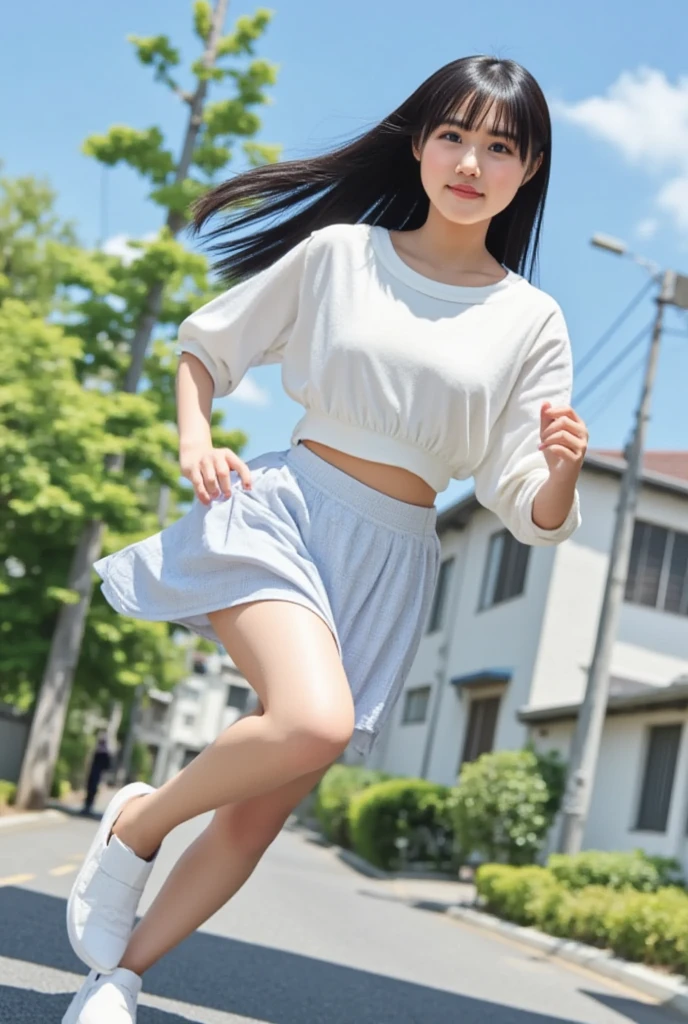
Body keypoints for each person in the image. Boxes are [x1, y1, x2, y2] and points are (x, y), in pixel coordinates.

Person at [62, 54, 588, 1022]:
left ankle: (119, 978)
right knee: (312, 719)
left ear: (530, 167)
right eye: (452, 136)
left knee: (258, 816)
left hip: (394, 559)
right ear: (422, 145)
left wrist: (557, 469)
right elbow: (207, 344)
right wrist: (193, 438)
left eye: (498, 146)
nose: (470, 162)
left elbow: (526, 504)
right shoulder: (342, 253)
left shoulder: (532, 319)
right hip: (287, 513)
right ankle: (137, 825)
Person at [80, 732, 112, 816]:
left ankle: (89, 806)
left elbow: (107, 765)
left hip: (98, 774)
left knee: (93, 789)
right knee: (89, 788)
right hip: (93, 772)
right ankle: (86, 806)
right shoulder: (98, 750)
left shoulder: (105, 752)